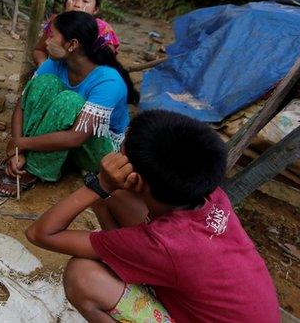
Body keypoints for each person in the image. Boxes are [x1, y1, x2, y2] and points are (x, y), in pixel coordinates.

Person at [26, 110, 281, 322]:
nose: (115, 155)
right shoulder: (211, 195)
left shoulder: (164, 244)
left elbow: (40, 234)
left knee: (82, 276)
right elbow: (133, 228)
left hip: (176, 262)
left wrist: (100, 185)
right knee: (114, 201)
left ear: (137, 180)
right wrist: (104, 198)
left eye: (121, 151)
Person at [0, 10, 138, 196]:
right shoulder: (53, 64)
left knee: (69, 100)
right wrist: (17, 151)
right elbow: (23, 104)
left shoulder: (108, 81)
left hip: (99, 150)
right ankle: (23, 160)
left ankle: (34, 170)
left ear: (72, 45)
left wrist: (20, 142)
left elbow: (77, 137)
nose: (46, 41)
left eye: (52, 36)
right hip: (63, 138)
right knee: (44, 84)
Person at [33, 0, 119, 66]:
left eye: (85, 1)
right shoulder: (56, 23)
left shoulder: (103, 30)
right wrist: (45, 70)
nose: (77, 5)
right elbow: (39, 51)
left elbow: (106, 64)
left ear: (95, 10)